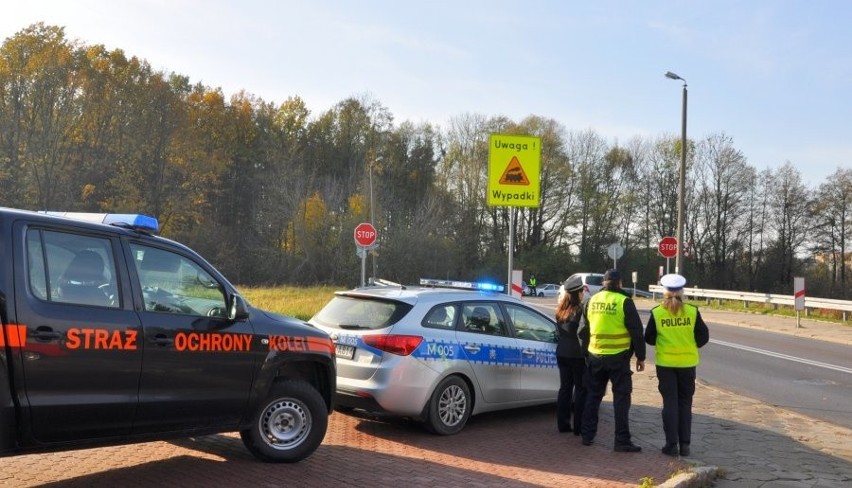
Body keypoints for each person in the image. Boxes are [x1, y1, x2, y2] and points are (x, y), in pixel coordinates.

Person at [578, 268, 646, 452]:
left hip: (595, 357)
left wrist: (586, 354)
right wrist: (641, 357)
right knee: (621, 400)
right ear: (620, 283)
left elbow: (582, 332)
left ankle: (587, 435)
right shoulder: (624, 301)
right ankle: (621, 441)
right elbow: (637, 333)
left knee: (593, 397)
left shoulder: (591, 301)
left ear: (603, 283)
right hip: (618, 359)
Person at [644, 273, 710, 457]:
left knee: (670, 404)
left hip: (665, 364)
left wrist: (663, 341)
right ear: (682, 291)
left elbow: (648, 338)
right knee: (685, 404)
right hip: (687, 364)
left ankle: (671, 445)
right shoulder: (692, 311)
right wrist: (690, 345)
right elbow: (703, 336)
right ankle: (686, 445)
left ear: (664, 292)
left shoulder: (657, 312)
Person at [554, 275, 587, 435]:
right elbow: (584, 332)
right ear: (578, 293)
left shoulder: (560, 310)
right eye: (582, 290)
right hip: (577, 355)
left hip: (562, 353)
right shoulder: (580, 310)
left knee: (565, 389)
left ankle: (563, 424)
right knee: (580, 390)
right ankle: (579, 427)